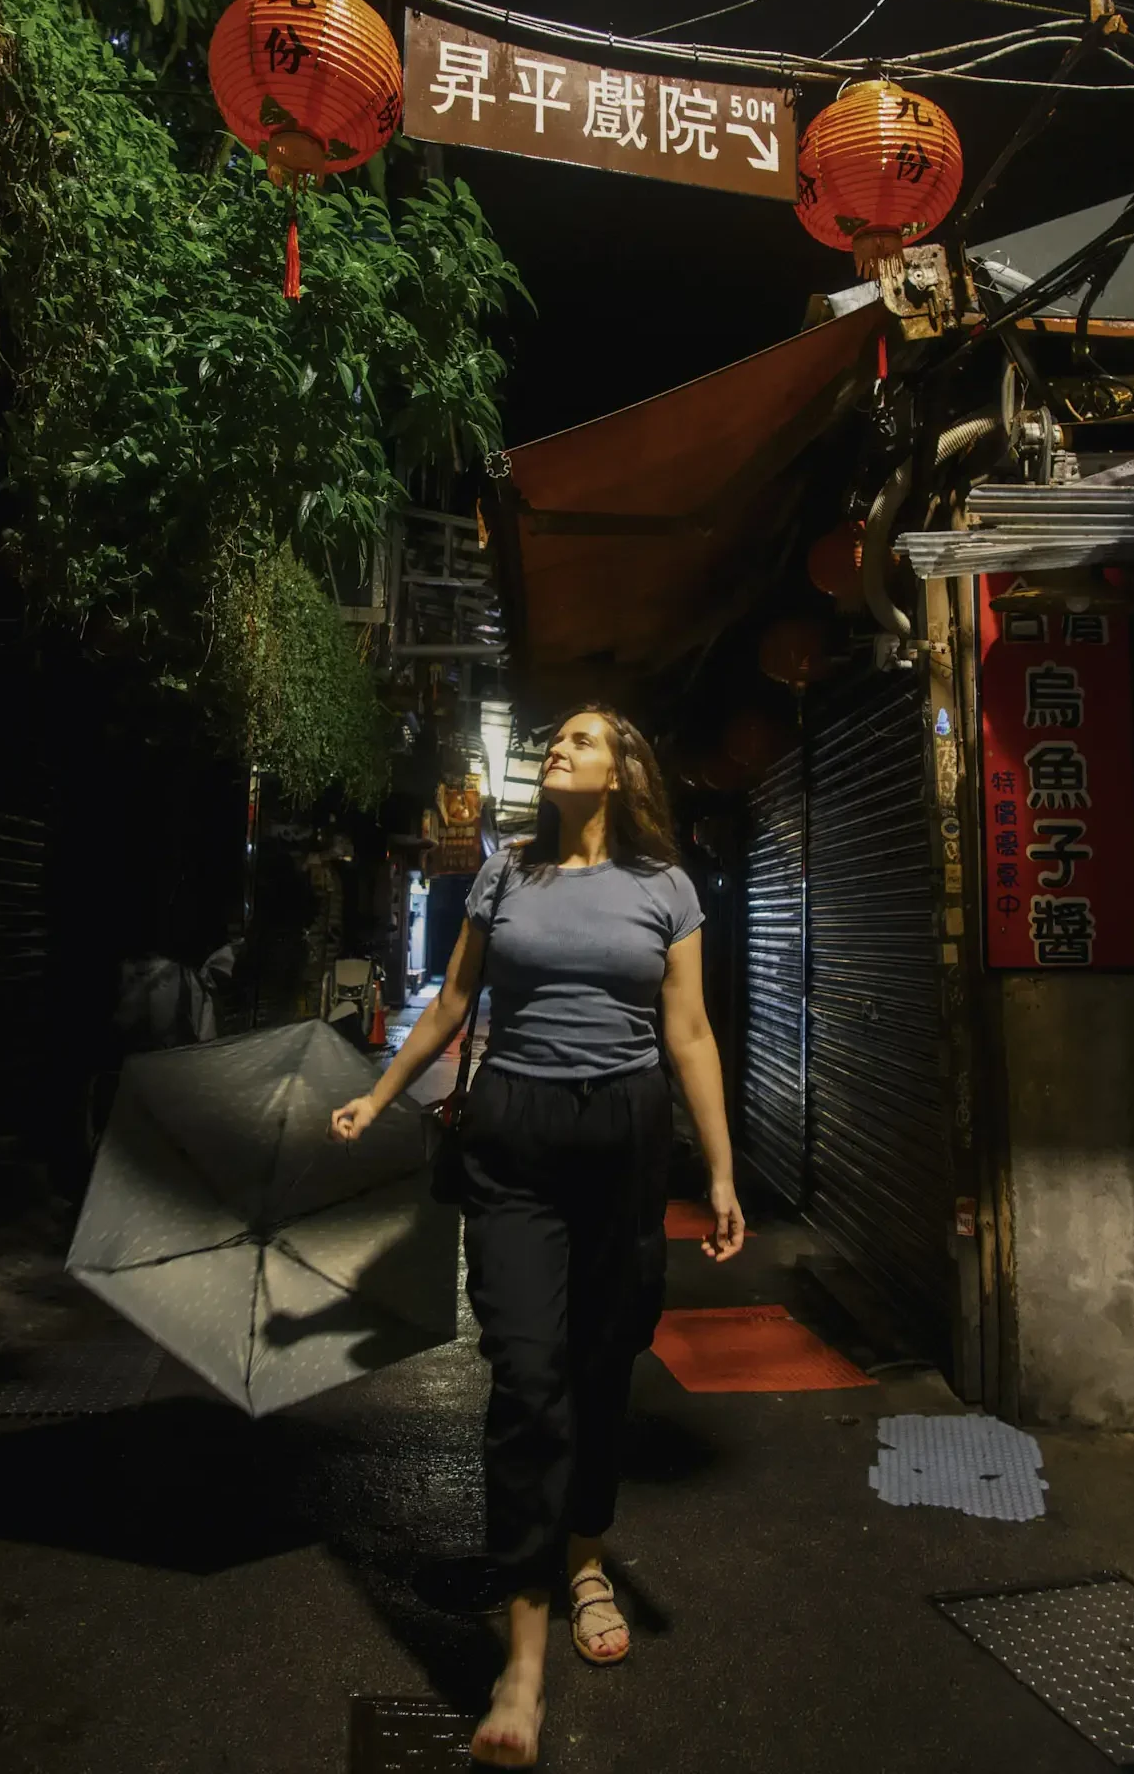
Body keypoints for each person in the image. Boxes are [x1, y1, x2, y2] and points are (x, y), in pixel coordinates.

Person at [329, 706, 745, 1769]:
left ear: (621, 772)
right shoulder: (505, 870)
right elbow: (454, 1000)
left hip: (624, 1135)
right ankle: (522, 1651)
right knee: (525, 1372)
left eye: (582, 739)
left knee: (603, 1361)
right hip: (512, 1132)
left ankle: (587, 1556)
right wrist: (378, 1097)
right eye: (554, 737)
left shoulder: (666, 886)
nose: (558, 746)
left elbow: (687, 1030)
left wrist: (723, 1167)